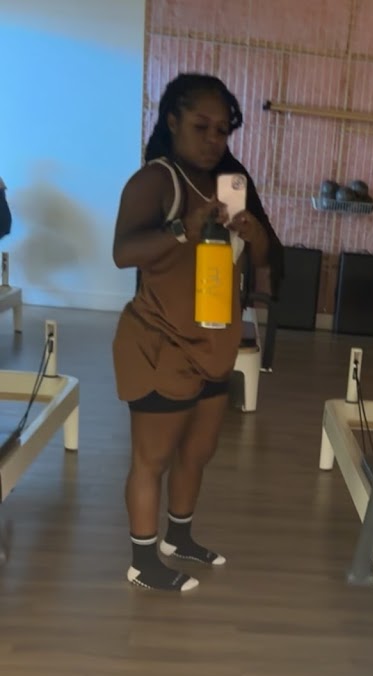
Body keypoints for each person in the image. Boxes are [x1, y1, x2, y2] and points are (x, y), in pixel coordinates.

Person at [111, 73, 282, 592]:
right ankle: (143, 562)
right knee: (153, 458)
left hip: (214, 344)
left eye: (222, 130)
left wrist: (254, 234)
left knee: (197, 452)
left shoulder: (229, 185)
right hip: (160, 342)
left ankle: (179, 538)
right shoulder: (155, 181)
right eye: (201, 127)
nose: (213, 139)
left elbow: (259, 261)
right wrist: (182, 228)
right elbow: (123, 253)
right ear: (172, 122)